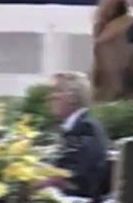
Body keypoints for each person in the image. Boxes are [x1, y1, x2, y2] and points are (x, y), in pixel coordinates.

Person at [45, 72, 110, 201]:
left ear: (73, 97)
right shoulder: (73, 127)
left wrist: (46, 181)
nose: (50, 97)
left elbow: (81, 178)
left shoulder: (86, 128)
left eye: (57, 91)